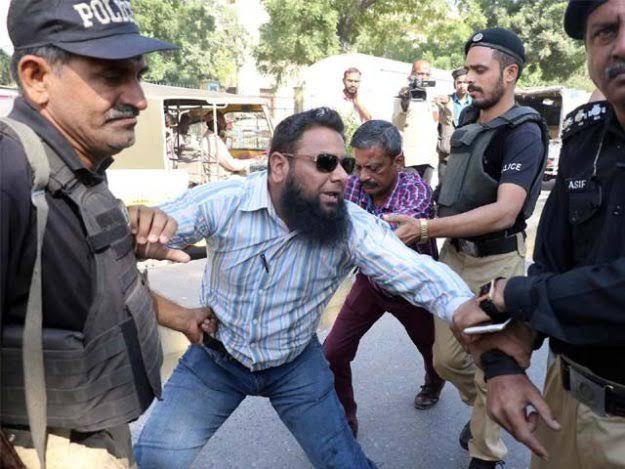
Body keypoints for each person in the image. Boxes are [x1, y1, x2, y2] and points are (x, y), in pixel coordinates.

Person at [133, 107, 488, 468]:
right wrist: (174, 314)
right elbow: (113, 255)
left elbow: (415, 271)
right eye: (325, 163)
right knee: (151, 462)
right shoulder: (225, 201)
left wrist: (463, 307)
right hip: (216, 360)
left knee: (346, 465)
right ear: (279, 166)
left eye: (344, 164)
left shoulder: (351, 225)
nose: (343, 176)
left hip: (295, 366)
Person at [0, 1, 214, 467]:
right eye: (113, 76)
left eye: (138, 75)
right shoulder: (10, 173)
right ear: (37, 78)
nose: (139, 99)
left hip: (94, 431)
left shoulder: (76, 166)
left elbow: (90, 290)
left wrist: (179, 315)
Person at [452, 2, 625, 468]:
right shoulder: (585, 140)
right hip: (563, 404)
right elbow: (553, 260)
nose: (621, 46)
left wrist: (512, 296)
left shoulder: (524, 130)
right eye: (605, 32)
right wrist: (506, 360)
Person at [386, 28, 548, 469]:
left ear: (510, 74)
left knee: (488, 362)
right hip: (454, 257)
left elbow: (504, 211)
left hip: (496, 264)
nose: (468, 79)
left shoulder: (524, 132)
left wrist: (425, 228)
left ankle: (485, 453)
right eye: (467, 69)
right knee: (445, 360)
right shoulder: (468, 120)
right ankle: (488, 406)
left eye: (480, 70)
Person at [322, 120, 445, 438]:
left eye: (374, 168)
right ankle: (345, 419)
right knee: (332, 352)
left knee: (434, 352)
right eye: (358, 166)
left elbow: (382, 237)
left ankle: (434, 382)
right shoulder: (353, 184)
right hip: (371, 282)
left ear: (398, 161)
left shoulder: (416, 190)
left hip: (412, 286)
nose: (364, 176)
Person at [392, 60, 440, 186]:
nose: (424, 77)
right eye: (420, 74)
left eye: (427, 74)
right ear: (412, 74)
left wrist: (446, 103)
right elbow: (397, 124)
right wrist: (404, 105)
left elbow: (443, 121)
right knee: (409, 193)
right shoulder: (404, 94)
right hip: (410, 158)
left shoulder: (433, 96)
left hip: (429, 157)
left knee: (425, 194)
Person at [434, 68, 472, 182]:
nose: (462, 85)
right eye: (459, 82)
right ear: (454, 84)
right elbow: (436, 122)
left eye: (465, 82)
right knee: (442, 186)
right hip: (446, 154)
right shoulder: (445, 101)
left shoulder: (474, 103)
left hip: (466, 154)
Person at [201, 110, 252, 181]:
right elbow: (232, 165)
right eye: (223, 122)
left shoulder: (208, 138)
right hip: (221, 179)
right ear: (216, 123)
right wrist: (251, 162)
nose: (224, 125)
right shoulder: (214, 141)